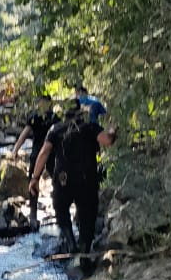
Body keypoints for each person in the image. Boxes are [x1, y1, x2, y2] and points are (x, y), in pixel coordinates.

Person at [29, 109, 116, 265]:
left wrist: (35, 178)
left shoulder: (55, 129)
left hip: (63, 179)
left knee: (61, 209)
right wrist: (113, 130)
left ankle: (70, 242)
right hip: (86, 179)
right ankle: (84, 252)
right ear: (81, 115)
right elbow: (107, 141)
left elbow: (44, 152)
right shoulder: (90, 127)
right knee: (87, 215)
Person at [12, 93, 59, 230]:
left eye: (40, 101)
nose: (40, 104)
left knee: (34, 182)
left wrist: (16, 149)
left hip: (39, 153)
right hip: (50, 154)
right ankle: (53, 212)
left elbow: (24, 134)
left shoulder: (36, 117)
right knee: (54, 182)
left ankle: (34, 216)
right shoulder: (53, 117)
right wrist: (15, 149)